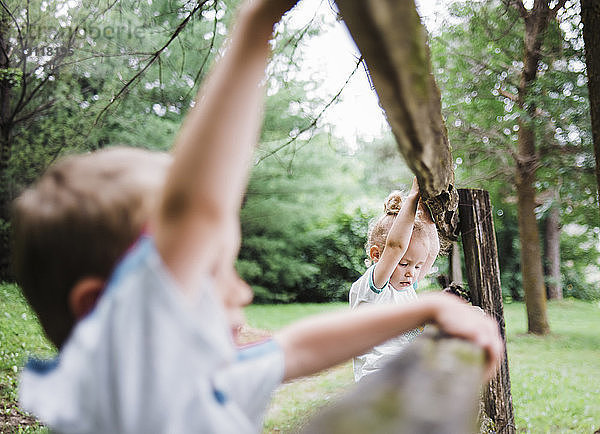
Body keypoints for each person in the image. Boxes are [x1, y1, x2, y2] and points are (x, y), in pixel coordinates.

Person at [11, 0, 504, 432]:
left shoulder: (204, 381)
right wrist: (257, 22)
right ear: (103, 306)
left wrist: (426, 308)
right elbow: (199, 209)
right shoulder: (125, 394)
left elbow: (298, 348)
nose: (241, 290)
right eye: (208, 267)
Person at [349, 178, 441, 382]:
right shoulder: (374, 289)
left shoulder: (406, 286)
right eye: (404, 264)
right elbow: (395, 247)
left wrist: (427, 214)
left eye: (417, 266)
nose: (412, 273)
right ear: (376, 254)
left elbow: (431, 252)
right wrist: (413, 198)